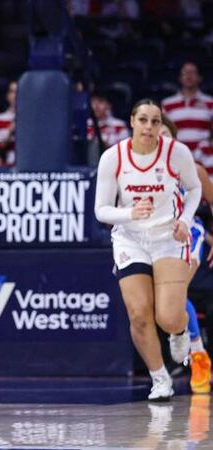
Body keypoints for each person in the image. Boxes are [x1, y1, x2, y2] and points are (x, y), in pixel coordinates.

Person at [94, 99, 201, 401]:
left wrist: (185, 219)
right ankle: (160, 379)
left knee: (167, 317)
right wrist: (130, 214)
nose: (149, 127)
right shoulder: (113, 157)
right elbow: (101, 210)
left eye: (155, 121)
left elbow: (194, 190)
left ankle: (180, 332)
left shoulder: (176, 152)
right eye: (143, 120)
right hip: (130, 239)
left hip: (168, 236)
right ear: (131, 121)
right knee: (139, 315)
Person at [158, 115, 211, 395]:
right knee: (164, 301)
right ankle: (193, 349)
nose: (161, 138)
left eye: (166, 133)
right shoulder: (139, 170)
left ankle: (198, 357)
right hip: (157, 237)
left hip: (189, 233)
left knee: (177, 293)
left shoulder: (192, 169)